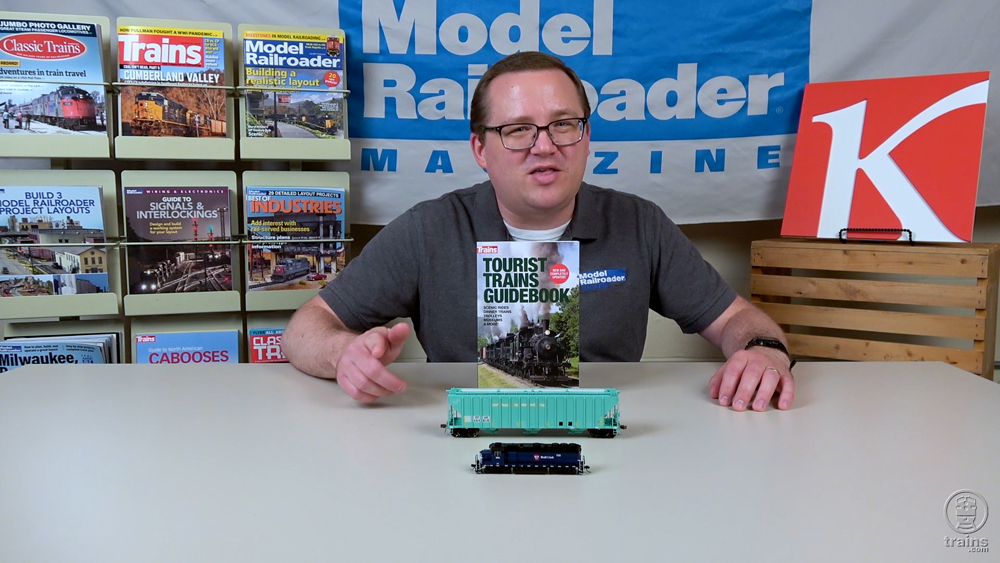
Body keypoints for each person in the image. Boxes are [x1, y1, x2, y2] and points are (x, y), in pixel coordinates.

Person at [284, 52, 795, 412]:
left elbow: (737, 319)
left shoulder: (638, 224)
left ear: (586, 136)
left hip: (607, 446)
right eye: (517, 129)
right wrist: (343, 354)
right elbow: (306, 327)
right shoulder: (430, 229)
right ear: (481, 149)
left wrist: (763, 351)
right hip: (464, 445)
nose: (544, 146)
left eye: (563, 124)